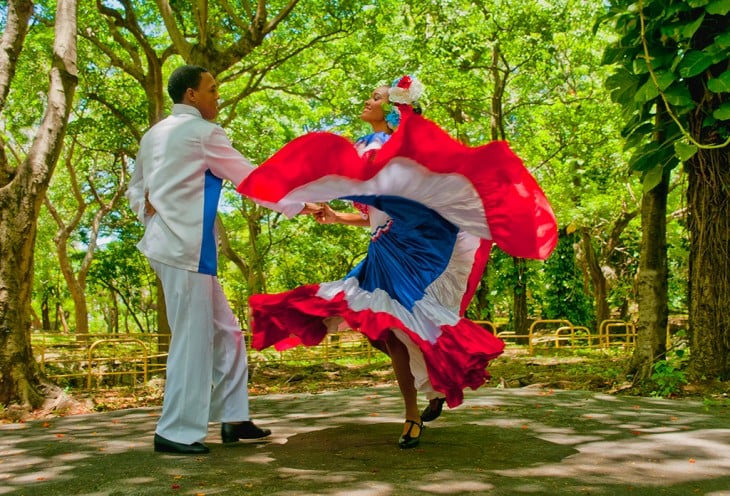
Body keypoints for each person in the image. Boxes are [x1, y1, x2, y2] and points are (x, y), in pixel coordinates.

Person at [237, 75, 558, 449]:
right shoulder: (364, 150)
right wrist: (339, 216)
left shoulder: (395, 152)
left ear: (391, 111)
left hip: (411, 246)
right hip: (381, 249)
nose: (367, 102)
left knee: (397, 331)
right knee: (385, 332)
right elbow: (373, 212)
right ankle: (429, 390)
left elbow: (406, 204)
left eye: (375, 98)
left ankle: (411, 414)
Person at [126, 64, 319, 455]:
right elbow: (249, 178)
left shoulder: (153, 135)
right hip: (185, 249)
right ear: (192, 96)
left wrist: (148, 211)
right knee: (192, 340)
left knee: (227, 334)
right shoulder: (202, 133)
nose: (219, 96)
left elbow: (135, 190)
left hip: (172, 246)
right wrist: (298, 205)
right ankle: (176, 431)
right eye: (212, 90)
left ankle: (234, 417)